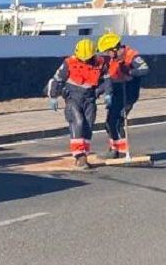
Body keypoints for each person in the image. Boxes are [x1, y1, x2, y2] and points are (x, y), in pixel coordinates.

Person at [48, 38, 109, 169]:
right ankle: (78, 155)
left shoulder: (100, 63)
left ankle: (84, 154)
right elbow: (56, 80)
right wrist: (53, 96)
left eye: (87, 58)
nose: (84, 60)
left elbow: (107, 80)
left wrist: (106, 92)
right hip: (73, 98)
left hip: (90, 99)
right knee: (78, 122)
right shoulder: (69, 63)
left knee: (88, 126)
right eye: (82, 58)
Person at [97, 32, 151, 159]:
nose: (107, 54)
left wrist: (130, 71)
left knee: (117, 121)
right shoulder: (111, 59)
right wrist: (100, 90)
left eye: (108, 51)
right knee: (109, 122)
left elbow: (145, 69)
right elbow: (108, 77)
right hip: (116, 92)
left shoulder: (131, 55)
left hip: (128, 92)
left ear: (115, 49)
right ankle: (114, 148)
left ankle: (121, 151)